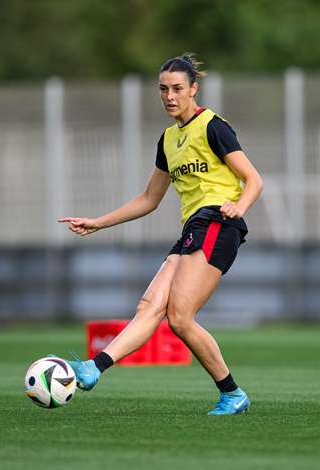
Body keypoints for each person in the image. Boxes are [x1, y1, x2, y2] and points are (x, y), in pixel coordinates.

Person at [58, 53, 263, 415]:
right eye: (163, 89)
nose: (170, 96)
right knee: (150, 306)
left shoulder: (213, 126)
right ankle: (94, 368)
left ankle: (232, 394)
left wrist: (239, 206)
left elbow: (254, 180)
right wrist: (98, 222)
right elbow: (149, 199)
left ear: (193, 89)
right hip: (194, 227)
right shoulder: (168, 140)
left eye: (178, 89)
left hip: (218, 222)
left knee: (180, 316)